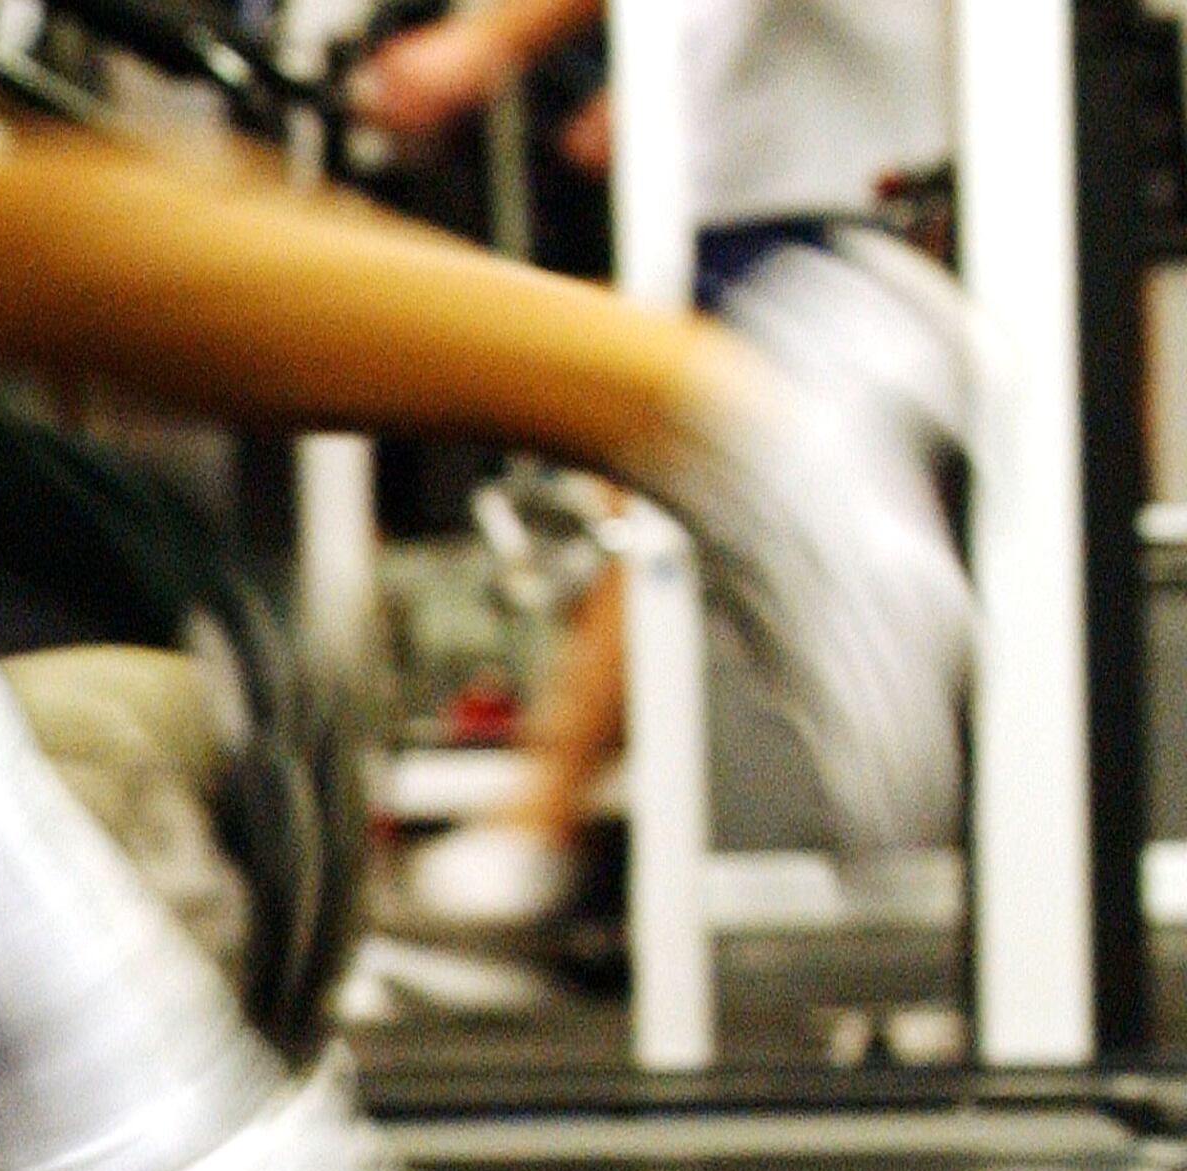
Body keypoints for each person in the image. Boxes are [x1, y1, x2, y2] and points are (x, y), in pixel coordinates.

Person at [340, 0, 970, 925]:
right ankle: (541, 820)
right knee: (648, 492)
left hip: (813, 229)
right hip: (763, 213)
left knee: (654, 469)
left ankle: (539, 819)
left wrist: (480, 44)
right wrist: (659, 89)